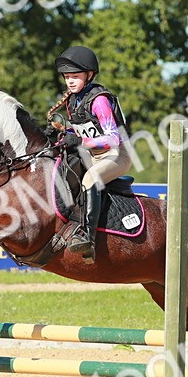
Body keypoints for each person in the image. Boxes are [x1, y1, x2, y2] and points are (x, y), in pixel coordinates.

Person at [46, 45, 131, 262]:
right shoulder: (73, 101)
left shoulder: (99, 99)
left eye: (75, 76)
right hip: (92, 155)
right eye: (67, 77)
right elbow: (79, 130)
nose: (70, 81)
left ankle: (87, 238)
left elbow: (113, 138)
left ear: (89, 75)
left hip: (115, 155)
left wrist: (81, 141)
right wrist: (60, 133)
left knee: (90, 178)